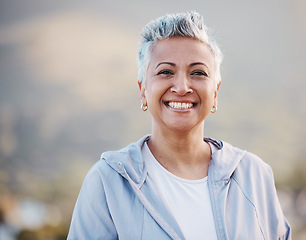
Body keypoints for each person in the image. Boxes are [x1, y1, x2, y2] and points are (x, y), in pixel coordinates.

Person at [67, 11, 291, 240]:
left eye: (198, 72)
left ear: (215, 91)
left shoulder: (254, 175)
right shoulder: (108, 182)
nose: (182, 87)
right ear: (143, 90)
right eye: (165, 71)